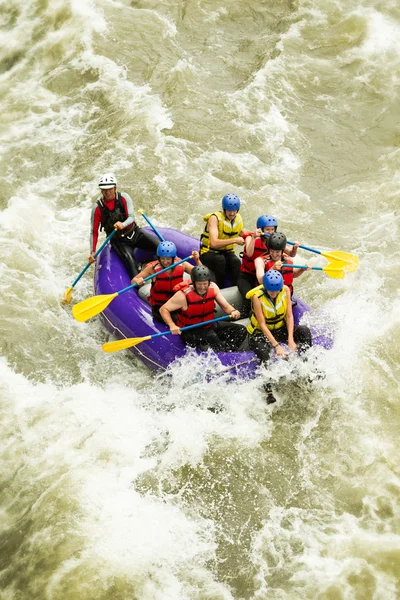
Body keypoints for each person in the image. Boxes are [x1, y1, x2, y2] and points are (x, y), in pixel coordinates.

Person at [246, 270, 312, 404]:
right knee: (264, 352)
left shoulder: (285, 290)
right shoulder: (257, 297)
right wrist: (276, 346)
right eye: (271, 292)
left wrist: (290, 339)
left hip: (279, 329)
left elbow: (289, 316)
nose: (274, 294)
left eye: (276, 291)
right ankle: (267, 390)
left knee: (304, 331)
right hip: (260, 333)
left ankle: (307, 367)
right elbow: (262, 324)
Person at [160, 265, 247, 352]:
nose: (202, 287)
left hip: (209, 325)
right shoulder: (182, 296)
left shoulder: (213, 287)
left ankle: (229, 351)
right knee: (211, 335)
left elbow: (225, 306)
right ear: (193, 283)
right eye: (199, 284)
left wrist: (233, 311)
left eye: (205, 284)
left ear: (209, 282)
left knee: (240, 330)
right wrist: (172, 325)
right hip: (189, 331)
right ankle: (222, 354)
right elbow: (163, 309)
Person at [89, 173, 159, 278]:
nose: (107, 192)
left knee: (160, 247)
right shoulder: (97, 208)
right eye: (104, 190)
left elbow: (131, 217)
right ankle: (139, 284)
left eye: (110, 189)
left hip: (135, 233)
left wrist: (123, 224)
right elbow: (94, 232)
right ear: (101, 190)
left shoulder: (124, 198)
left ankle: (159, 268)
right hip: (120, 242)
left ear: (115, 188)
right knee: (133, 269)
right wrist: (92, 251)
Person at [131, 241, 201, 322]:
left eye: (168, 259)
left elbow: (201, 273)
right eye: (162, 258)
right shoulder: (152, 268)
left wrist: (197, 260)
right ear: (158, 258)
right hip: (161, 306)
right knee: (178, 320)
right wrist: (137, 280)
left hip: (178, 302)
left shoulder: (181, 263)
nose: (165, 262)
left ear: (173, 258)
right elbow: (133, 280)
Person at [199, 193, 247, 288]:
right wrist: (234, 240)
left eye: (234, 210)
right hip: (209, 253)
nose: (232, 213)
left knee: (236, 262)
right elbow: (214, 243)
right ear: (224, 209)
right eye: (229, 210)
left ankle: (235, 289)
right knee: (220, 260)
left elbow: (243, 233)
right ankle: (219, 288)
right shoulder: (214, 219)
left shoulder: (237, 218)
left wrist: (254, 237)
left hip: (227, 252)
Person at [254, 231, 310, 296]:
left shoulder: (288, 260)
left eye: (277, 252)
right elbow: (260, 280)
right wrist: (273, 268)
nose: (274, 254)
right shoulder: (260, 261)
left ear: (282, 250)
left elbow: (293, 274)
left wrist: (302, 269)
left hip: (284, 295)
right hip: (268, 296)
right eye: (272, 251)